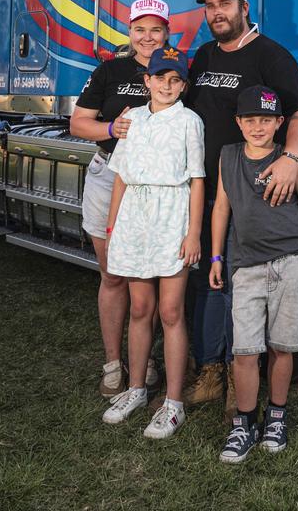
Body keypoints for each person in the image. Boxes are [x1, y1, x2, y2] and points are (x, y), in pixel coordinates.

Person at [183, 0, 298, 415]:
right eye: (210, 6)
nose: (217, 12)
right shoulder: (202, 57)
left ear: (244, 8)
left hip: (257, 198)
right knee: (209, 278)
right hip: (210, 189)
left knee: (251, 281)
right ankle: (211, 370)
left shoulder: (271, 56)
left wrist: (291, 160)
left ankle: (248, 377)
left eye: (225, 4)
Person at [210, 85, 298, 463]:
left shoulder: (290, 162)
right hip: (246, 267)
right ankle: (244, 422)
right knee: (244, 351)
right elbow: (221, 211)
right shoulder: (228, 158)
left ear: (279, 123)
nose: (258, 127)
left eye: (266, 120)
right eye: (250, 120)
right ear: (238, 123)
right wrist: (216, 258)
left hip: (291, 264)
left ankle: (276, 415)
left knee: (282, 347)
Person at [102, 46, 205, 439]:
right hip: (134, 219)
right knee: (140, 307)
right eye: (160, 77)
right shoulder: (131, 119)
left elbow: (197, 179)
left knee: (171, 311)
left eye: (175, 79)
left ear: (183, 85)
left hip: (171, 218)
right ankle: (136, 389)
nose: (167, 85)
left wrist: (193, 232)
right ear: (147, 80)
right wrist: (114, 230)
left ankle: (173, 403)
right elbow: (121, 177)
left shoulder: (189, 122)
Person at [70, 0, 170, 397]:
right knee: (113, 275)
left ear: (167, 33)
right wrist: (113, 129)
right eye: (140, 30)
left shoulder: (176, 70)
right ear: (130, 32)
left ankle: (147, 360)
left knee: (152, 277)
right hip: (109, 175)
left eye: (156, 30)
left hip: (157, 184)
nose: (147, 38)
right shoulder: (110, 70)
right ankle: (114, 363)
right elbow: (79, 123)